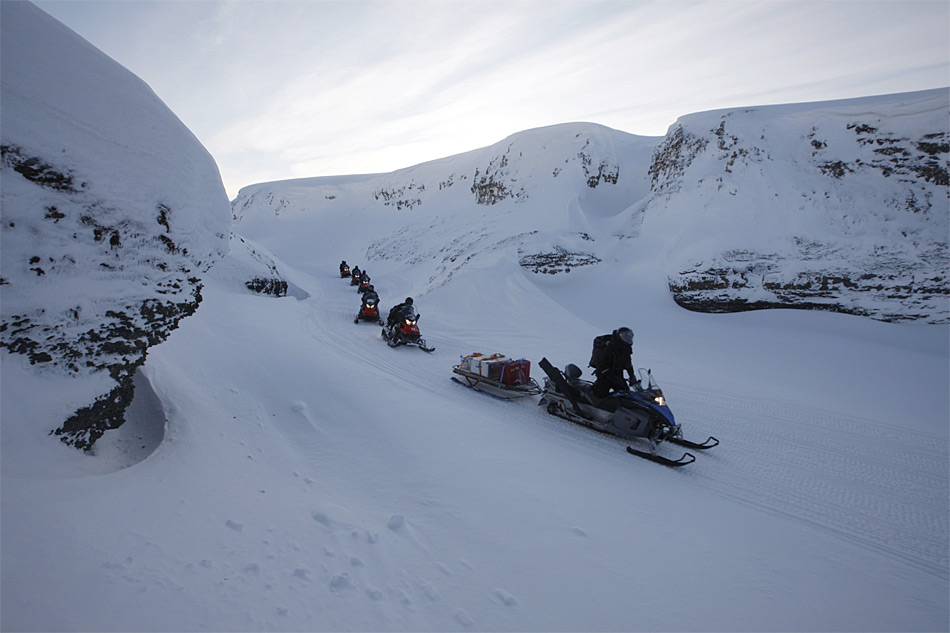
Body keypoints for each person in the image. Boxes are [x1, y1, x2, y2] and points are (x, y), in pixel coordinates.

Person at [590, 327, 636, 399]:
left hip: (618, 372)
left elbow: (628, 364)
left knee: (626, 394)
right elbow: (601, 364)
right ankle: (591, 407)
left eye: (629, 337)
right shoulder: (610, 346)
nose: (627, 339)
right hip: (604, 373)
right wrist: (609, 375)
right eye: (625, 337)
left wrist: (632, 376)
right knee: (600, 395)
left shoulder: (626, 348)